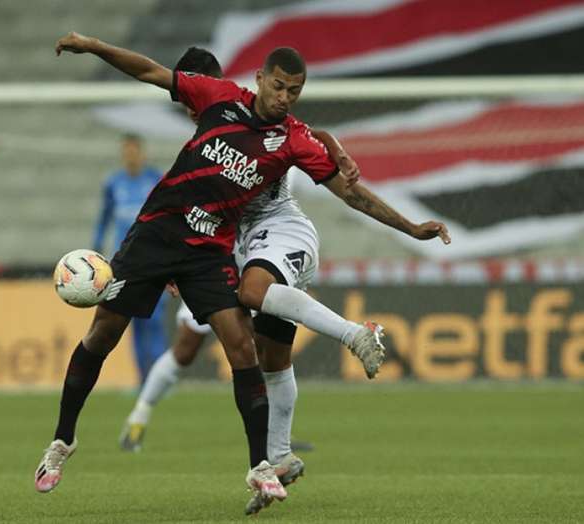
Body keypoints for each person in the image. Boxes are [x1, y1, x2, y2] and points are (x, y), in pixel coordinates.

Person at [117, 47, 452, 515]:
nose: (190, 104)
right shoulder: (212, 120)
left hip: (280, 230)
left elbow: (332, 168)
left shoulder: (248, 114)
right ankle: (278, 457)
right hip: (233, 243)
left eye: (192, 92)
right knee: (270, 359)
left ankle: (357, 334)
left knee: (250, 295)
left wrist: (412, 227)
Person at [36, 32, 347, 512]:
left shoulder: (256, 121)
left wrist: (332, 143)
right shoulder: (212, 115)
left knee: (242, 347)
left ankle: (261, 465)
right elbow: (147, 70)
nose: (284, 97)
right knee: (103, 336)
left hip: (215, 250)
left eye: (292, 91)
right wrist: (95, 47)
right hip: (156, 239)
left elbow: (303, 134)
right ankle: (61, 442)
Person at [92, 134, 167, 384]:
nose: (131, 155)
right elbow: (104, 218)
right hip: (123, 264)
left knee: (154, 323)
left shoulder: (155, 180)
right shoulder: (114, 184)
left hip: (154, 262)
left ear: (142, 153)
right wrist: (96, 249)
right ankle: (142, 380)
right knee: (129, 324)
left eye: (134, 150)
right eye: (127, 151)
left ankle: (159, 381)